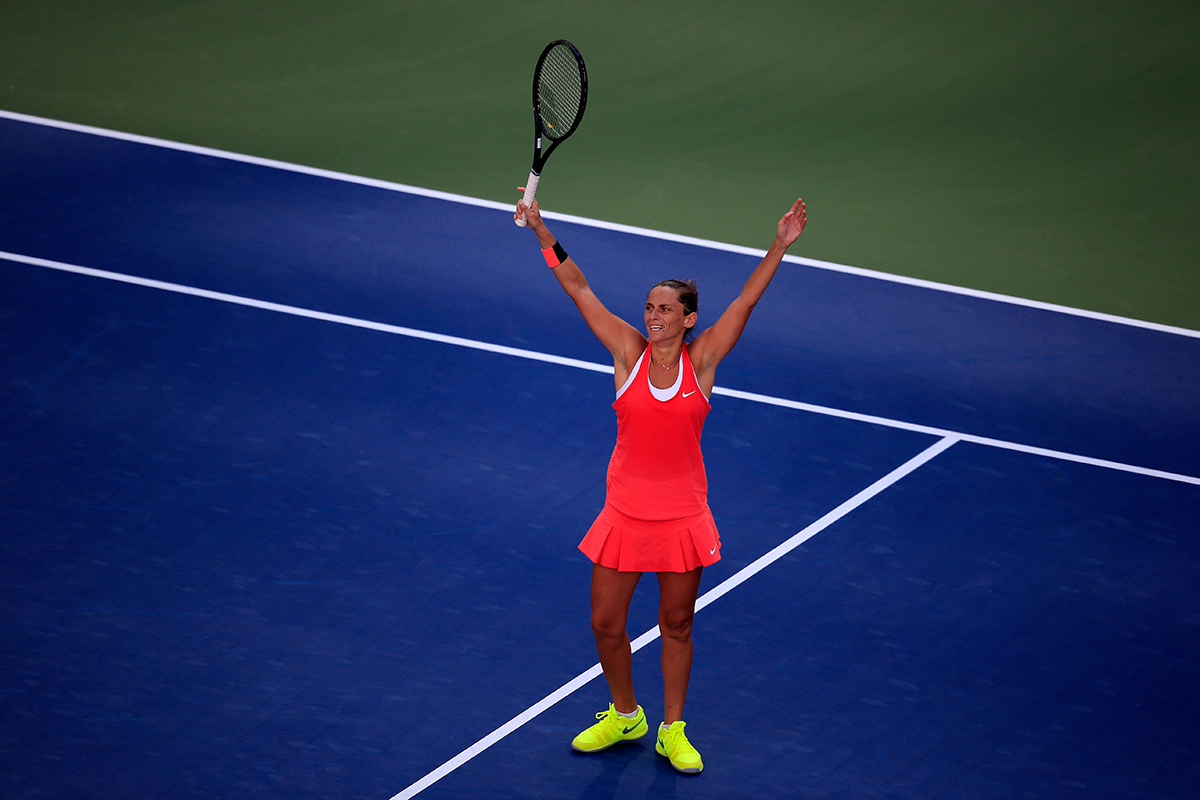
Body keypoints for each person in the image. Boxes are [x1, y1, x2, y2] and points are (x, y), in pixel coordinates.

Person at [515, 193, 807, 774]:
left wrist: (779, 245)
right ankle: (627, 715)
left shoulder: (703, 365)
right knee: (605, 623)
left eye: (666, 309)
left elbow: (746, 303)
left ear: (689, 318)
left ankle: (672, 728)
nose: (653, 315)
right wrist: (542, 229)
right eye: (649, 306)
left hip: (680, 518)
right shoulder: (627, 352)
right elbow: (578, 288)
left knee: (676, 625)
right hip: (623, 514)